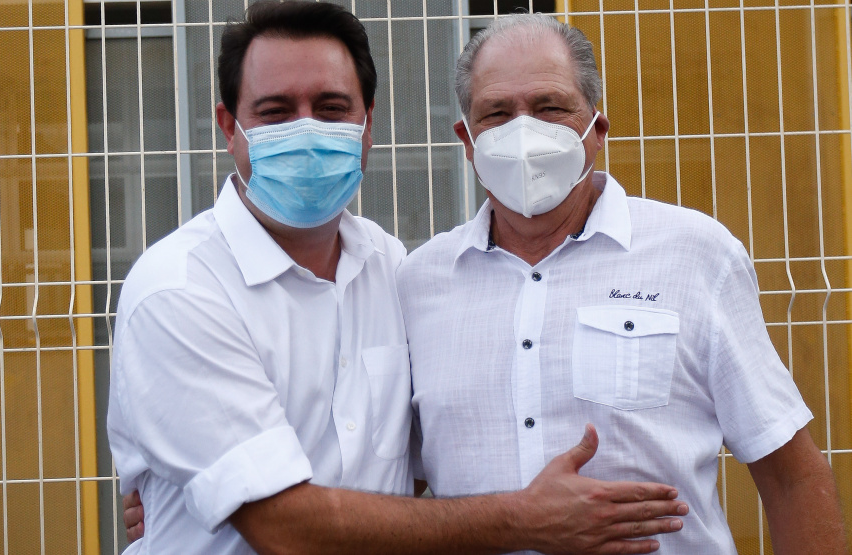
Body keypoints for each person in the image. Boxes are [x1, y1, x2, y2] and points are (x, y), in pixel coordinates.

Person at [108, 2, 689, 554]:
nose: (307, 131)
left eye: (332, 108)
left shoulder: (393, 268)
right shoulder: (180, 290)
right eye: (276, 111)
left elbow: (405, 467)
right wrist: (525, 518)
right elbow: (285, 531)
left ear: (367, 126)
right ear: (229, 126)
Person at [397, 13, 848, 555]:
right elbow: (401, 487)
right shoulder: (418, 283)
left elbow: (789, 474)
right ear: (467, 141)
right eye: (497, 114)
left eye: (550, 108)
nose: (524, 131)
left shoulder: (695, 254)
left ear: (597, 129)